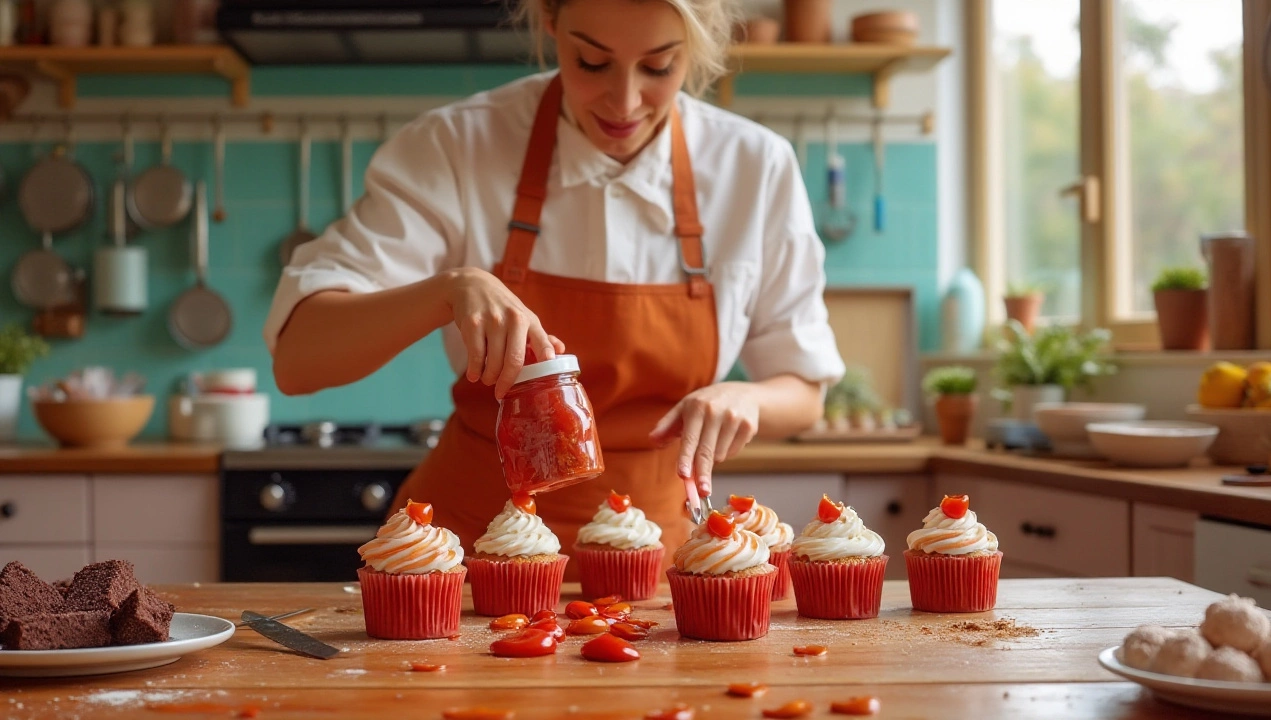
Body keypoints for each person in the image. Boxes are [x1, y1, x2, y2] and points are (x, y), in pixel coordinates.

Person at [263, 0, 846, 577]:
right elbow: (298, 360)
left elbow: (804, 391)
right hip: (464, 557)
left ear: (693, 52)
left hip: (658, 561)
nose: (624, 101)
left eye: (659, 67)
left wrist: (746, 398)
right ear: (550, 23)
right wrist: (449, 289)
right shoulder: (457, 145)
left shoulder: (755, 165)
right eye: (592, 62)